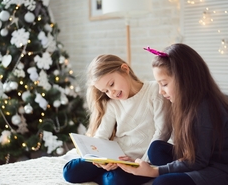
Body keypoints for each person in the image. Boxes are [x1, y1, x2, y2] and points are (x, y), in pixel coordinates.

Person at [118, 44, 228, 185]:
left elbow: (198, 160)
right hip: (206, 161)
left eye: (164, 84)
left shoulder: (204, 108)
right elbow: (189, 153)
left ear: (185, 79)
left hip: (227, 171)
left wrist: (154, 172)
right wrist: (146, 165)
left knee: (162, 182)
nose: (160, 92)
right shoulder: (188, 104)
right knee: (157, 149)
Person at [63, 54, 171, 185]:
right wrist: (101, 160)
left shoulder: (154, 90)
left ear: (125, 69)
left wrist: (142, 163)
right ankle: (104, 175)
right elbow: (101, 135)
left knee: (115, 180)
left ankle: (102, 178)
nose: (111, 93)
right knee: (70, 171)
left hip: (140, 161)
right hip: (115, 158)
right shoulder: (113, 103)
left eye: (112, 84)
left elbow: (162, 132)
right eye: (106, 91)